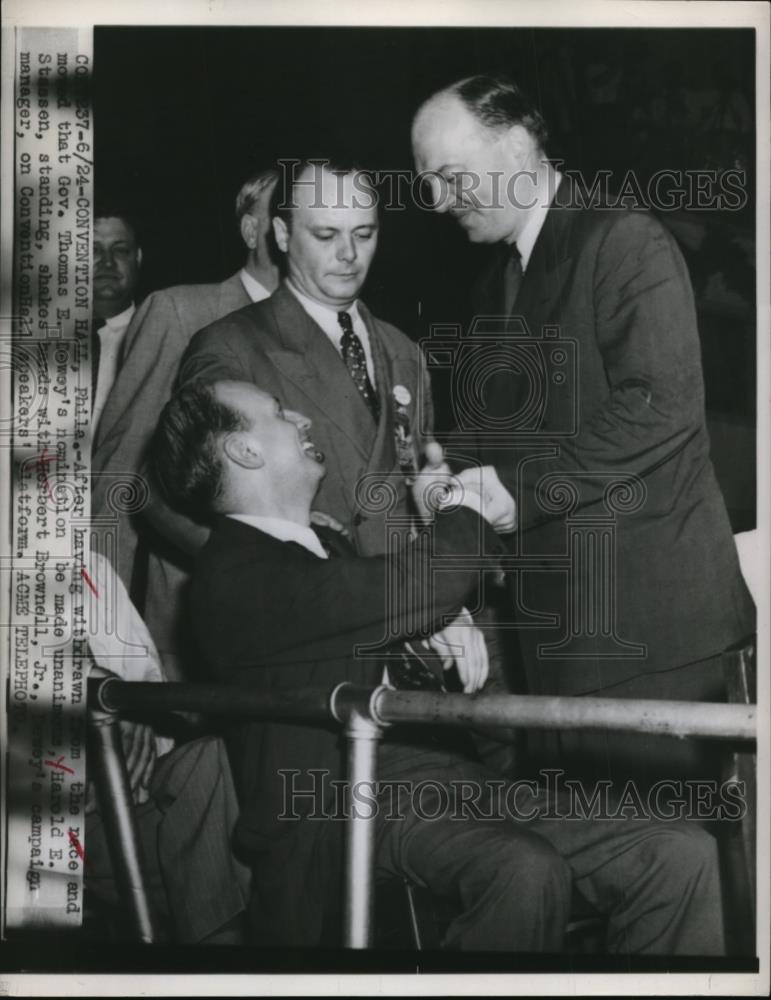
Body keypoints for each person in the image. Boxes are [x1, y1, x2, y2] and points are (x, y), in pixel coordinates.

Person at [146, 377, 726, 955]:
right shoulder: (233, 578)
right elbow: (433, 578)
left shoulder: (319, 551)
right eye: (277, 410)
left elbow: (382, 605)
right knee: (522, 870)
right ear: (244, 451)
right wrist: (461, 504)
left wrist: (426, 622)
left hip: (449, 783)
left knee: (679, 853)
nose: (300, 418)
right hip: (343, 804)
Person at [411, 74, 755, 787]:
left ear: (514, 146)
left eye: (448, 177)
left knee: (683, 869)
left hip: (650, 636)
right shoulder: (498, 279)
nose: (438, 202)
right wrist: (443, 469)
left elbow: (659, 404)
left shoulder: (622, 239)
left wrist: (518, 492)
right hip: (565, 641)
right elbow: (498, 421)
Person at [176, 158, 489, 696]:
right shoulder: (230, 346)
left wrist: (436, 605)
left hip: (418, 634)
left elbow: (412, 498)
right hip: (321, 657)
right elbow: (194, 495)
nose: (348, 255)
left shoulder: (403, 351)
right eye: (326, 235)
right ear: (280, 233)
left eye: (363, 234)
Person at [91, 168, 281, 678]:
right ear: (250, 229)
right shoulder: (181, 312)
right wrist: (105, 637)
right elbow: (120, 474)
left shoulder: (335, 329)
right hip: (191, 623)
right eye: (283, 209)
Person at [92, 206, 143, 433]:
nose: (108, 262)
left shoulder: (159, 335)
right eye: (92, 250)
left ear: (138, 258)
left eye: (121, 250)